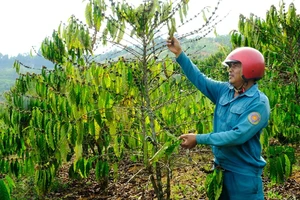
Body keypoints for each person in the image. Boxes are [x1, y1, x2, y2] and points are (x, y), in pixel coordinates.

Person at [166, 37, 270, 200]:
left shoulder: (258, 103)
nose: (230, 69)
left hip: (243, 175)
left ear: (250, 68)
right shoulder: (225, 91)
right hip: (220, 170)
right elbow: (200, 79)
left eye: (235, 65)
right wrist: (180, 54)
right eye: (229, 66)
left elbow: (237, 135)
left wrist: (199, 138)